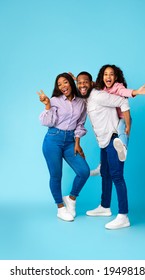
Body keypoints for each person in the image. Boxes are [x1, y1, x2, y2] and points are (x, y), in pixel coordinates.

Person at [76, 71, 145, 229]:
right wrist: (72, 78)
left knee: (117, 175)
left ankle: (123, 215)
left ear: (91, 83)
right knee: (105, 173)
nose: (82, 85)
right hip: (103, 142)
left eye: (85, 82)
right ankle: (104, 207)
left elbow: (122, 102)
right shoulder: (87, 99)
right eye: (79, 83)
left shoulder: (98, 95)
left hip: (114, 139)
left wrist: (127, 125)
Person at [37, 73, 90, 222]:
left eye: (65, 82)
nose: (62, 86)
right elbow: (46, 122)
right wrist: (47, 104)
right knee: (56, 175)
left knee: (84, 171)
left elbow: (80, 124)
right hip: (53, 139)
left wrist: (78, 144)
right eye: (59, 84)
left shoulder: (81, 102)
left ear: (71, 83)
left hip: (70, 141)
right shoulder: (54, 100)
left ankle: (71, 199)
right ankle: (60, 208)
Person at [90, 64, 145, 175]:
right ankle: (101, 165)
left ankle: (123, 148)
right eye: (105, 74)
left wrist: (137, 92)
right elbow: (91, 84)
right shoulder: (102, 88)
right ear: (102, 76)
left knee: (121, 131)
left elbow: (125, 92)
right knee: (105, 145)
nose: (108, 77)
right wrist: (76, 79)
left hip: (123, 118)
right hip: (114, 119)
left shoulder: (118, 87)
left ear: (116, 77)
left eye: (111, 74)